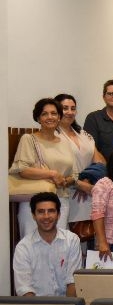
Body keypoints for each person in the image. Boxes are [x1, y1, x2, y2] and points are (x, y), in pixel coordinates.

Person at [9, 98, 75, 236]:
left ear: (59, 117)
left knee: (59, 247)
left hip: (61, 201)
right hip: (34, 202)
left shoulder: (65, 142)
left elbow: (73, 173)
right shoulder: (29, 139)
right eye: (44, 114)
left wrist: (66, 180)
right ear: (38, 118)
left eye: (54, 113)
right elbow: (22, 169)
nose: (50, 117)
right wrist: (52, 174)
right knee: (31, 246)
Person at [55, 93, 105, 244]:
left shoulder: (83, 134)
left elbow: (101, 162)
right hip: (64, 194)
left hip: (87, 192)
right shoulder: (52, 135)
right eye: (65, 108)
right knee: (66, 242)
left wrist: (85, 179)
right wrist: (76, 182)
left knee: (87, 243)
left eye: (73, 108)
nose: (69, 112)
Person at [13, 192, 82, 297]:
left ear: (58, 215)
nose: (46, 216)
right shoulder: (23, 247)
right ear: (33, 215)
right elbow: (25, 289)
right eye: (41, 212)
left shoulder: (72, 240)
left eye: (51, 211)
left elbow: (73, 282)